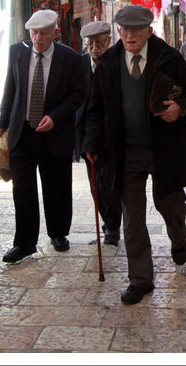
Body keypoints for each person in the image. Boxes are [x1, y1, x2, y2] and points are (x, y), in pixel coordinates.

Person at [83, 4, 186, 305]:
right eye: (125, 29)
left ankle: (178, 236)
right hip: (125, 152)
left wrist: (181, 108)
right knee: (132, 218)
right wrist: (91, 143)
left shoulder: (169, 59)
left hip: (164, 150)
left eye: (137, 29)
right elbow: (95, 110)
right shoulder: (108, 63)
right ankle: (140, 279)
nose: (130, 35)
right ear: (118, 32)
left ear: (150, 31)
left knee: (170, 204)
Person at [0, 9, 86, 264]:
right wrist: (2, 121)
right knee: (22, 189)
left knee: (56, 186)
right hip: (22, 132)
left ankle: (58, 234)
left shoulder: (70, 58)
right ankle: (24, 243)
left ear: (55, 32)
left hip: (53, 134)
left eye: (44, 33)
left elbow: (77, 95)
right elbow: (9, 88)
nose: (38, 38)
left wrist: (55, 117)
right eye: (34, 33)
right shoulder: (18, 53)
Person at [74, 20, 122, 246]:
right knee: (95, 185)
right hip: (87, 136)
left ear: (109, 42)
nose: (94, 49)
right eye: (90, 44)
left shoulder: (117, 63)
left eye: (99, 44)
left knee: (109, 183)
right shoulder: (80, 65)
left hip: (112, 134)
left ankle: (113, 227)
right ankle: (108, 225)